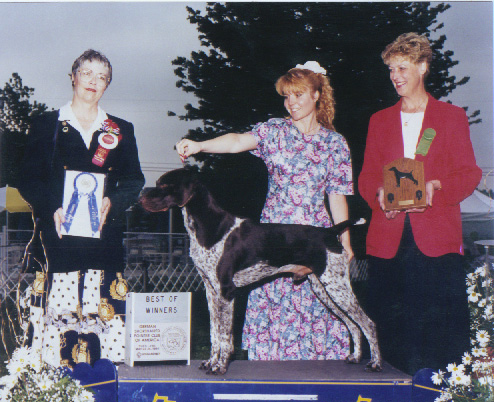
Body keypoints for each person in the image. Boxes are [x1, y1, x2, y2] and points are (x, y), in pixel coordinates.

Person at [176, 61, 354, 360]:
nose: (291, 102)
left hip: (314, 240)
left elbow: (337, 196)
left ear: (317, 94)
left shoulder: (335, 143)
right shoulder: (274, 130)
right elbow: (235, 142)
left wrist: (346, 243)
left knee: (324, 307)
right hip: (272, 241)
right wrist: (199, 145)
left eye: (298, 94)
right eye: (286, 96)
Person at [358, 33, 482, 374]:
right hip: (389, 240)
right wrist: (380, 195)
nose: (395, 76)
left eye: (402, 67)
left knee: (440, 336)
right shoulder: (379, 121)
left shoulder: (451, 117)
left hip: (436, 240)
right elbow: (368, 177)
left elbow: (469, 173)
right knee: (391, 334)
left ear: (423, 67)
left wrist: (436, 187)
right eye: (390, 69)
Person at [18, 50, 145, 368]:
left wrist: (112, 201)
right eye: (87, 73)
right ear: (72, 76)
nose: (94, 81)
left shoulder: (120, 130)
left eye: (102, 77)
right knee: (57, 343)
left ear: (107, 86)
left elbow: (134, 180)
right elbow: (28, 179)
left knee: (105, 346)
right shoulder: (47, 124)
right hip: (56, 246)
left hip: (104, 248)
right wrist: (52, 208)